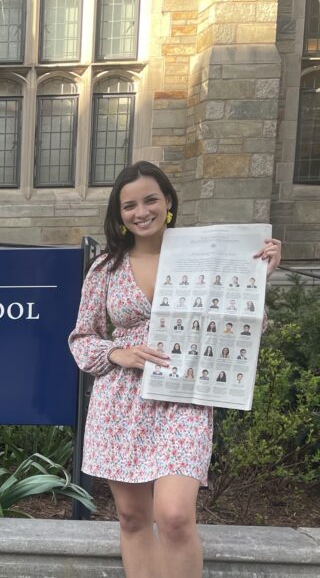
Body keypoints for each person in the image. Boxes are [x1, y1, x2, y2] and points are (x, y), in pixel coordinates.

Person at [68, 161, 282, 578]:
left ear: (168, 203)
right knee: (131, 518)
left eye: (150, 200)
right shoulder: (105, 268)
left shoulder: (207, 257)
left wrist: (257, 279)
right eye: (129, 205)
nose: (141, 212)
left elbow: (239, 331)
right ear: (119, 214)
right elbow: (81, 338)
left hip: (184, 397)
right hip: (121, 402)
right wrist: (117, 353)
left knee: (175, 516)